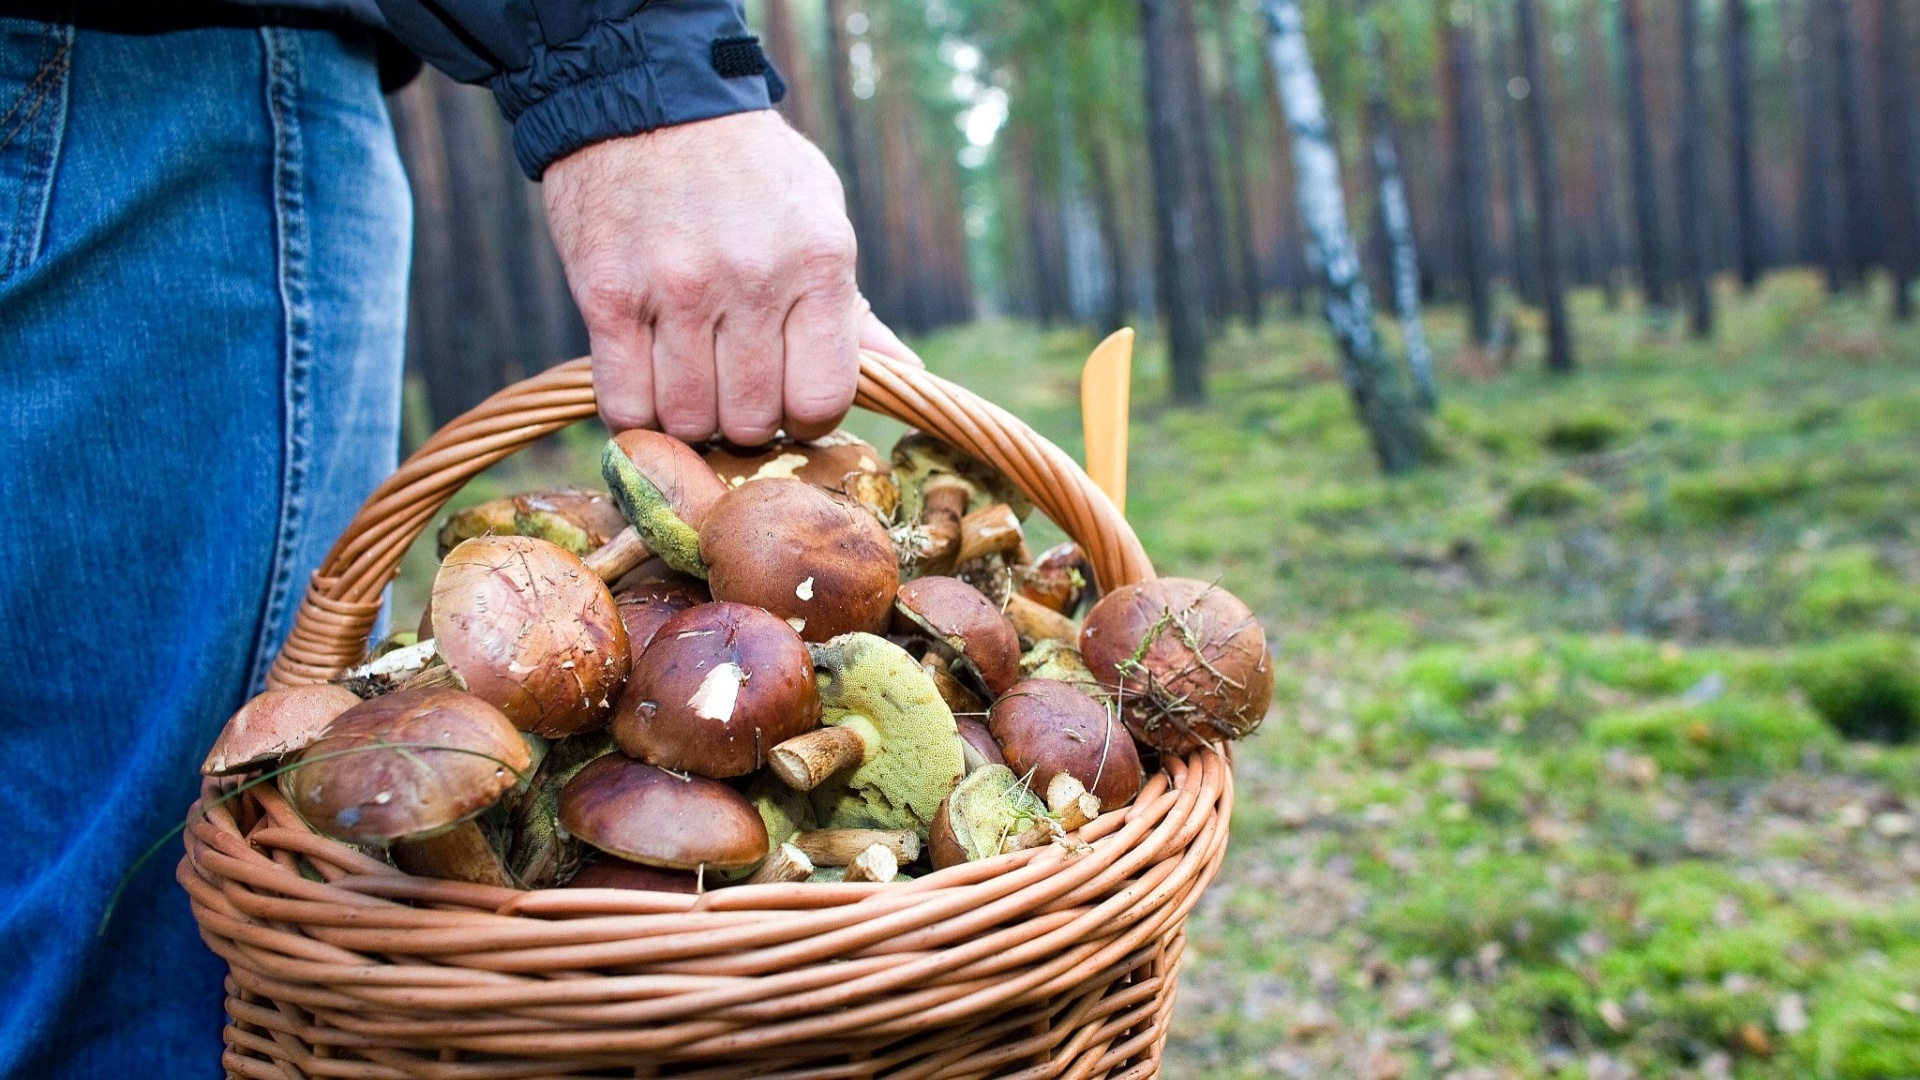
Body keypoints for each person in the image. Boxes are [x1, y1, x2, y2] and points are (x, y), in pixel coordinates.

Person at [0, 1, 913, 1075]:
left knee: (57, 885)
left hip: (89, 94)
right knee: (152, 940)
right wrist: (643, 77)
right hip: (150, 81)